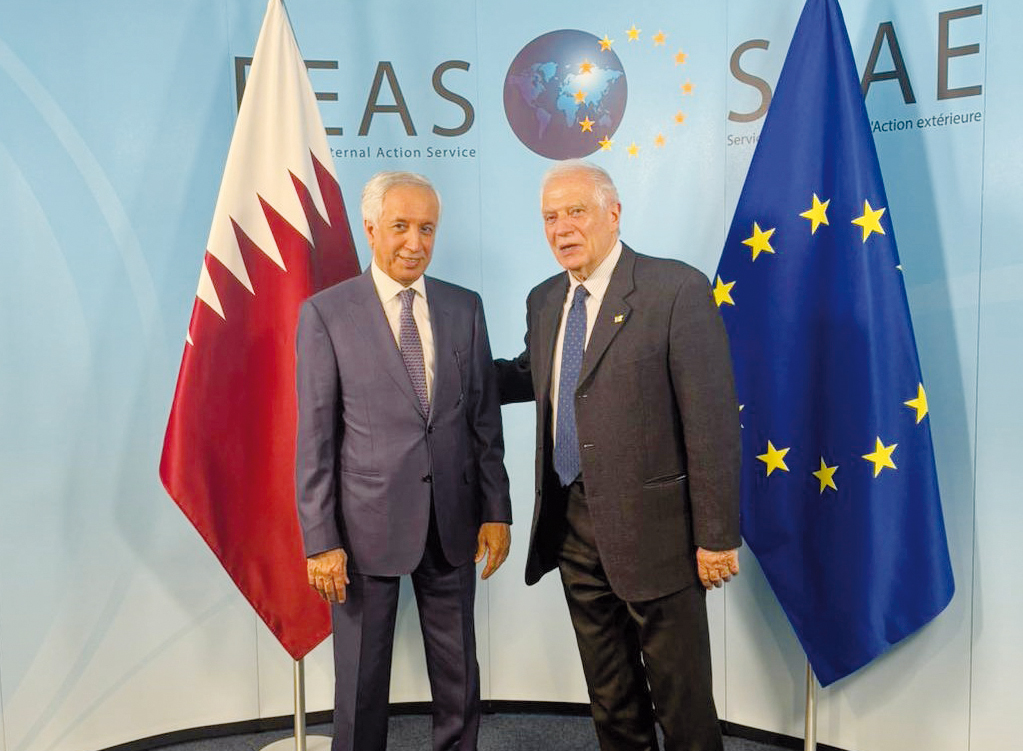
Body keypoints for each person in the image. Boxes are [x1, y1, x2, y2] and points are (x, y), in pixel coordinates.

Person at [495, 160, 741, 751]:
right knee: (610, 697)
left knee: (682, 700)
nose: (562, 229)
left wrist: (716, 534)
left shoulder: (675, 289)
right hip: (573, 528)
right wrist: (440, 368)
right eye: (550, 217)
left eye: (576, 211)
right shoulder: (545, 298)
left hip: (660, 537)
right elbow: (539, 376)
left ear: (613, 212)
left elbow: (710, 421)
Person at [295, 170, 511, 751]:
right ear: (370, 228)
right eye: (400, 227)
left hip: (454, 523)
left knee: (459, 677)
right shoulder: (326, 314)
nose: (414, 242)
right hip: (364, 532)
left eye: (426, 229)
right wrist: (321, 539)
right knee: (361, 685)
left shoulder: (464, 307)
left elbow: (483, 423)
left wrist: (497, 510)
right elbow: (315, 438)